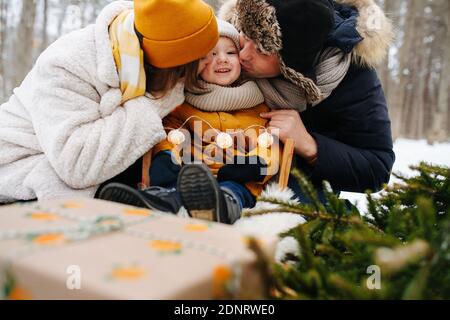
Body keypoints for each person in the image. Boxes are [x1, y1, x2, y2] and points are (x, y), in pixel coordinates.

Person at [0, 0, 219, 203]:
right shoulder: (65, 65)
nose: (211, 61)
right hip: (21, 158)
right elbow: (76, 163)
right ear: (175, 68)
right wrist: (156, 103)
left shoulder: (145, 43)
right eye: (202, 57)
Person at [98, 20, 281, 224]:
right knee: (174, 184)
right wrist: (166, 154)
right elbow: (167, 130)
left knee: (233, 190)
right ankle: (160, 201)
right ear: (198, 62)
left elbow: (270, 141)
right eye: (211, 54)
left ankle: (222, 207)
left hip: (237, 178)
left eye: (231, 53)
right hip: (190, 176)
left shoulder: (258, 106)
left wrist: (258, 162)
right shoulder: (182, 103)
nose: (222, 60)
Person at [216, 0, 396, 204]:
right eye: (245, 36)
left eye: (262, 50)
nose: (243, 54)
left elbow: (377, 168)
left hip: (297, 193)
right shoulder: (224, 44)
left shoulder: (352, 77)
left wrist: (310, 146)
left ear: (293, 63)